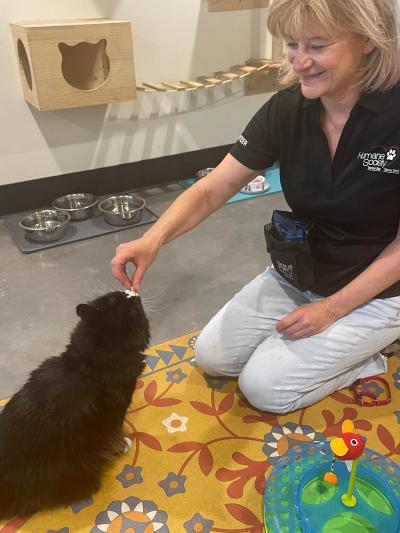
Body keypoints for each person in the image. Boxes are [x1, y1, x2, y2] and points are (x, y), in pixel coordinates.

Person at [111, 0, 400, 413]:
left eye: (317, 46)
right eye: (290, 44)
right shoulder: (287, 109)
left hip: (379, 289)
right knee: (213, 356)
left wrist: (331, 310)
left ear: (368, 41)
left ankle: (368, 357)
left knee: (266, 388)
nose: (300, 61)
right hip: (301, 270)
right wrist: (151, 239)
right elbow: (212, 189)